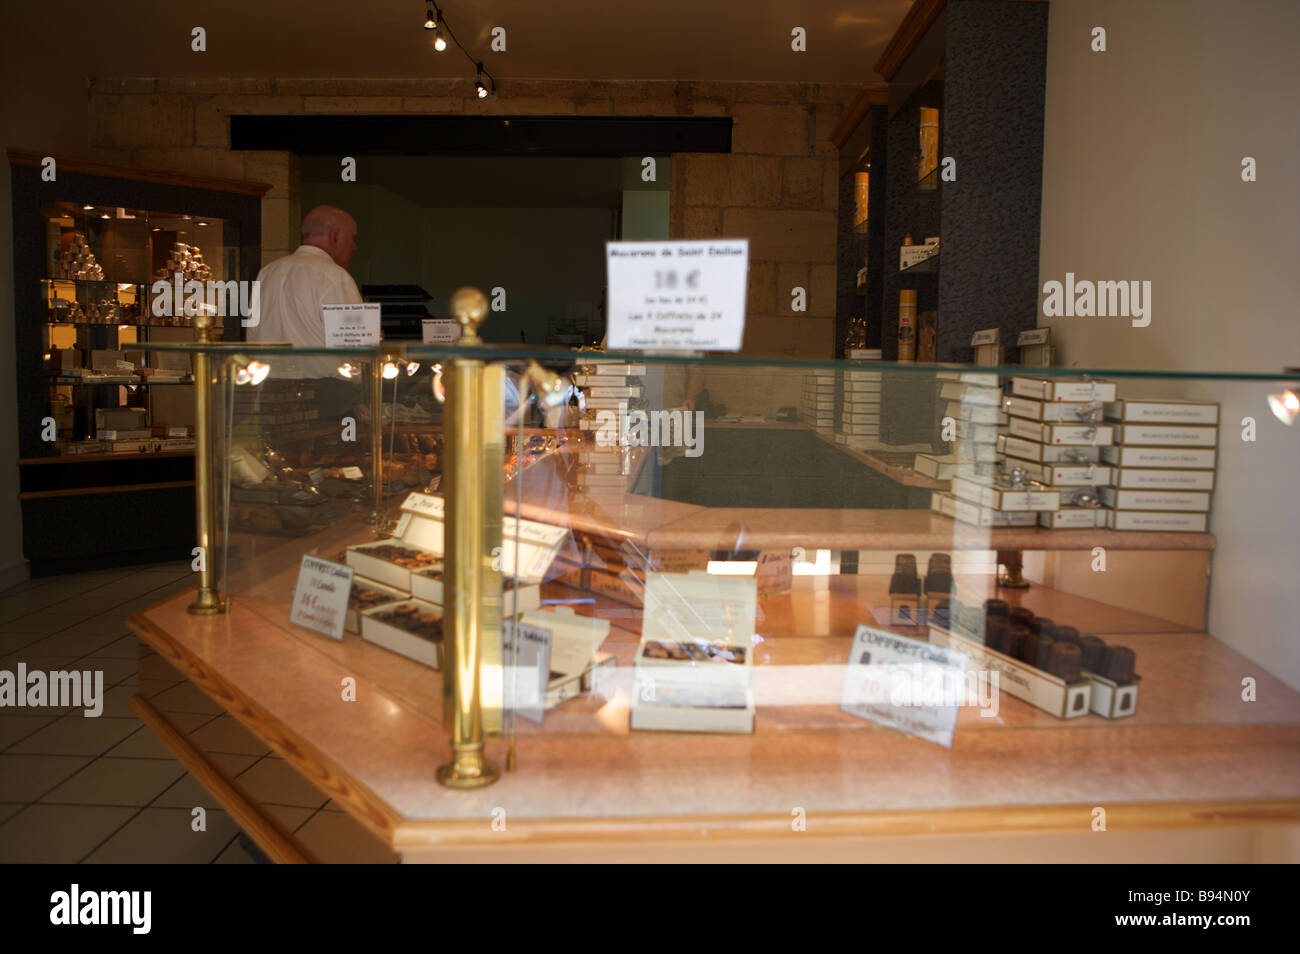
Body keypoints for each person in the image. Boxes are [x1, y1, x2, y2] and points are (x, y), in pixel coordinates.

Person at [248, 205, 361, 348]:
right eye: (352, 238)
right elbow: (355, 347)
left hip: (269, 369)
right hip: (322, 371)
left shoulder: (267, 272)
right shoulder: (336, 277)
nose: (354, 247)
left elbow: (252, 334)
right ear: (335, 237)